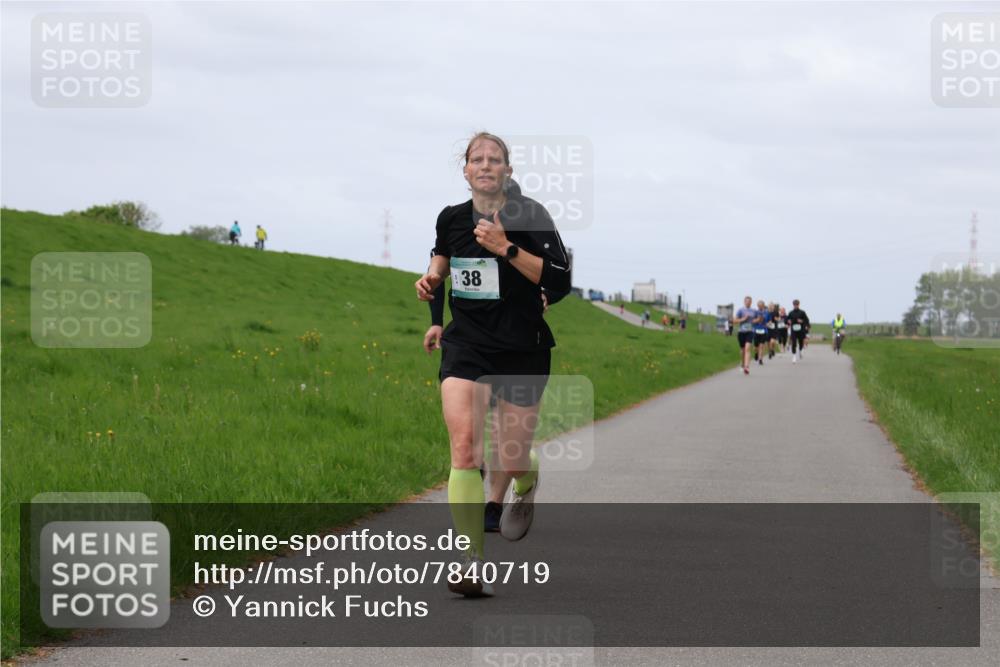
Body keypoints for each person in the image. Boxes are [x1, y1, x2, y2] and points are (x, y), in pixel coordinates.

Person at [415, 132, 571, 597]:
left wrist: (506, 247)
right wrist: (431, 295)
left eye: (495, 159)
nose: (485, 165)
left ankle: (527, 476)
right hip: (467, 345)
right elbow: (440, 267)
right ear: (465, 171)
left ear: (507, 169)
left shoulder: (531, 216)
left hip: (522, 347)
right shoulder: (450, 219)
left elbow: (561, 279)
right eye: (477, 159)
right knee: (465, 449)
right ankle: (470, 561)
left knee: (510, 453)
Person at [733, 296, 756, 375]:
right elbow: (734, 321)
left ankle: (746, 366)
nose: (748, 302)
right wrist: (742, 319)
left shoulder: (754, 311)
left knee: (747, 348)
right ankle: (742, 363)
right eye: (746, 301)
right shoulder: (740, 310)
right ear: (744, 302)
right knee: (743, 350)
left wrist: (757, 320)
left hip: (750, 331)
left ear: (751, 302)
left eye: (749, 301)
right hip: (741, 332)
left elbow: (756, 320)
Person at [753, 299, 770, 366]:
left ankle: (760, 359)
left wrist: (768, 324)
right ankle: (756, 353)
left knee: (762, 346)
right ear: (757, 306)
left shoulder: (766, 312)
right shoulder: (755, 312)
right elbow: (753, 321)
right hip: (756, 330)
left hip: (764, 330)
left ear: (763, 306)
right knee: (756, 347)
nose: (760, 307)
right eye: (759, 305)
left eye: (761, 305)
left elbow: (768, 321)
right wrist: (757, 320)